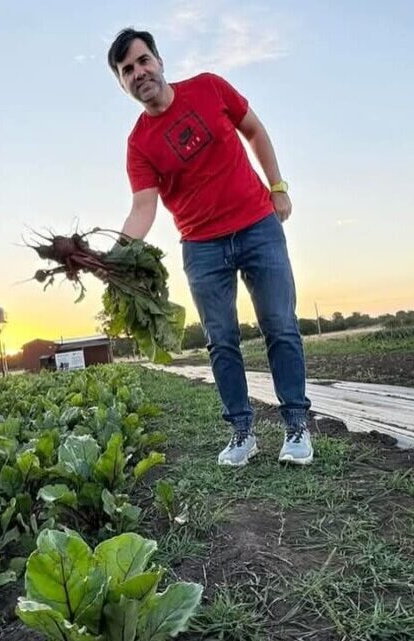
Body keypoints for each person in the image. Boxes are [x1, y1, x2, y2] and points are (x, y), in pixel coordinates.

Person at [107, 27, 313, 467]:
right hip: (201, 247)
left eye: (143, 61)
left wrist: (278, 187)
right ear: (122, 84)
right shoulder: (138, 143)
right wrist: (116, 257)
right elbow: (143, 207)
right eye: (127, 70)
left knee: (280, 325)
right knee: (221, 341)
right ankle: (243, 433)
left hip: (258, 224)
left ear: (159, 61)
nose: (138, 72)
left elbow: (255, 130)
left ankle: (296, 425)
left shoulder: (209, 88)